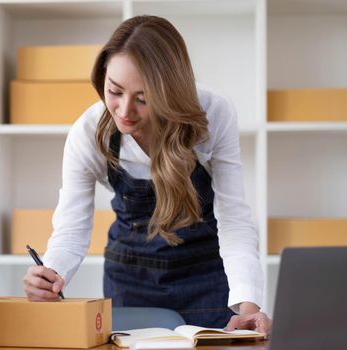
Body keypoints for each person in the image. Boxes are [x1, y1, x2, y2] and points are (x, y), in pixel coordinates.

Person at [22, 15, 271, 336]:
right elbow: (71, 230)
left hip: (206, 281)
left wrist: (249, 308)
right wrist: (51, 273)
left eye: (142, 98)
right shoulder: (87, 131)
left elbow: (234, 220)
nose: (125, 111)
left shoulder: (212, 115)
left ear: (171, 91)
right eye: (115, 91)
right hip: (130, 282)